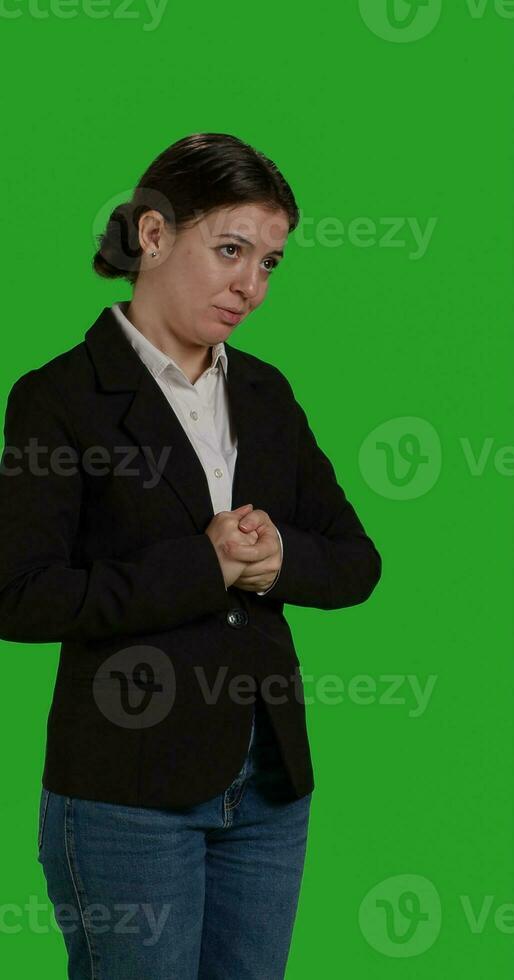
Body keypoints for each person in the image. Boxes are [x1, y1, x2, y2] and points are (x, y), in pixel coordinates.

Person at [0, 132, 382, 979]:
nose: (252, 285)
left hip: (269, 785)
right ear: (154, 235)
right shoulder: (57, 399)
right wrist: (201, 567)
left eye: (272, 263)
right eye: (232, 250)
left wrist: (277, 558)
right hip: (127, 797)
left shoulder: (265, 393)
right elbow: (21, 596)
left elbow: (356, 559)